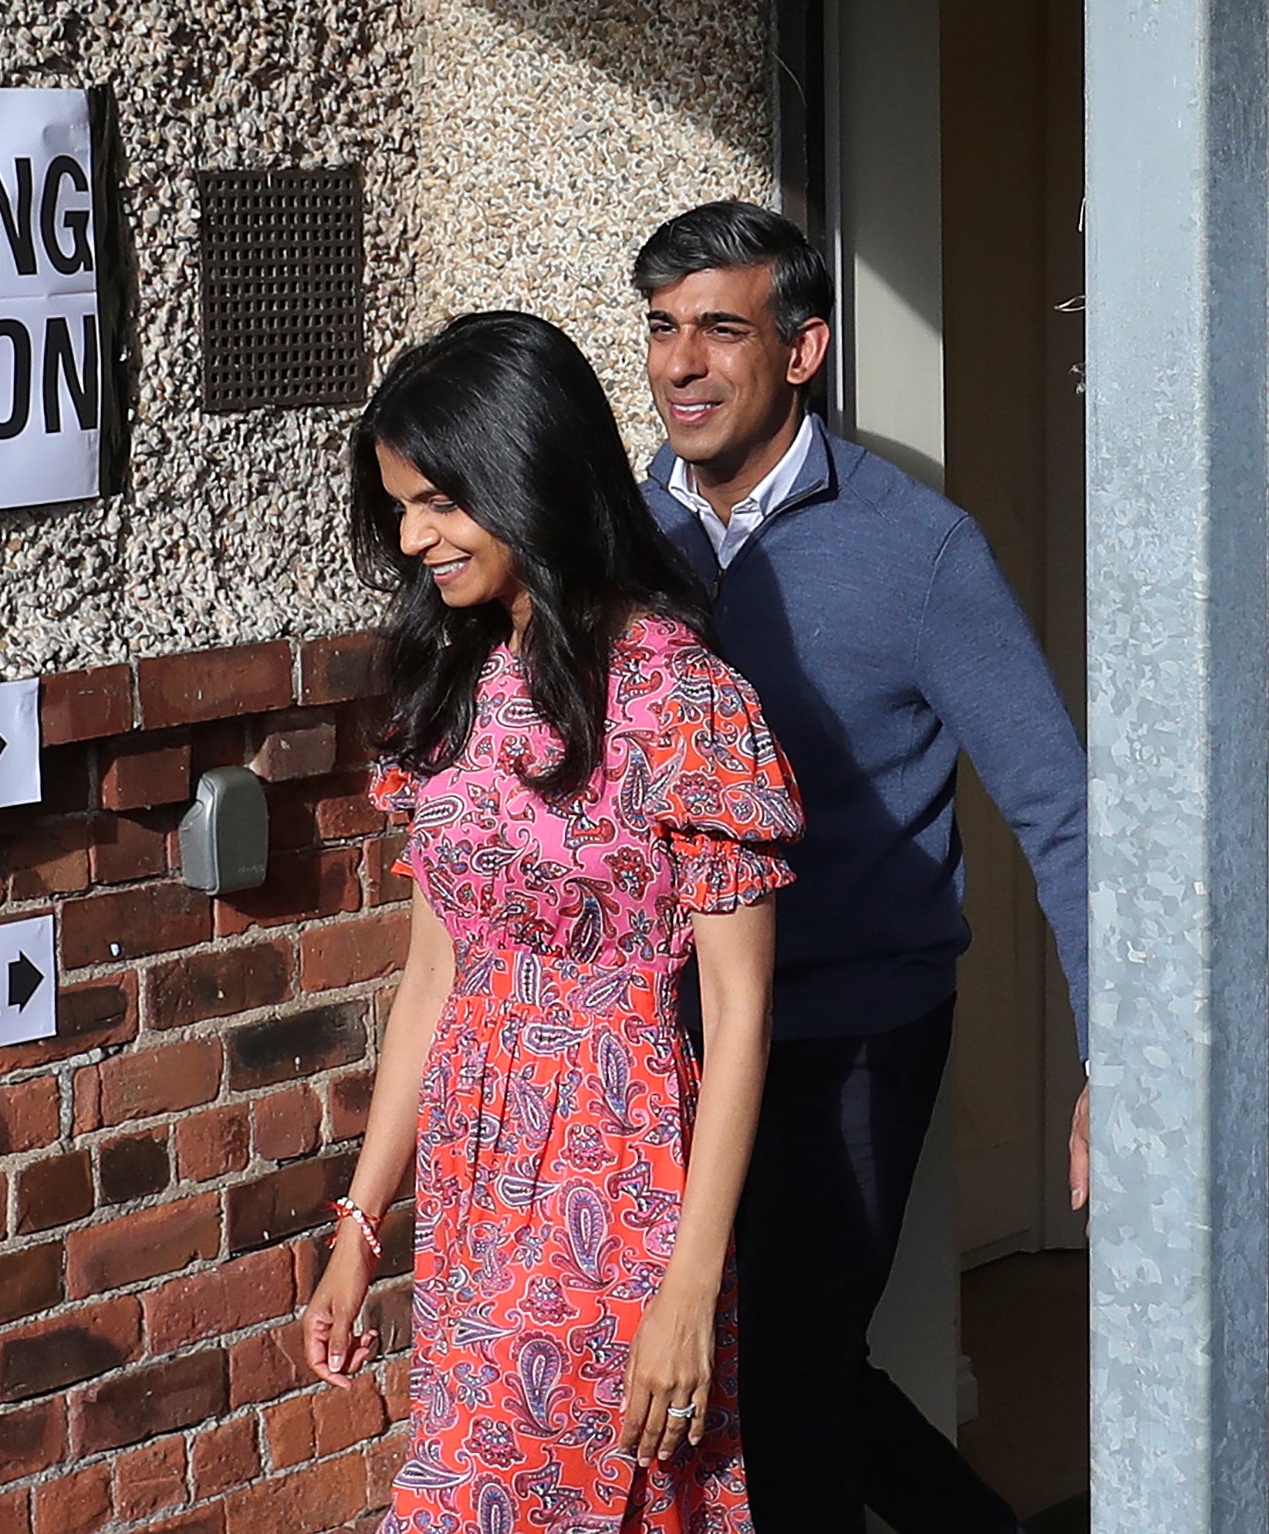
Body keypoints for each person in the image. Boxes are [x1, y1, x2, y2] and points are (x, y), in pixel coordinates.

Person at [300, 310, 804, 1533]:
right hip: (476, 1184)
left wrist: (689, 1283)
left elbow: (738, 1016)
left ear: (525, 476)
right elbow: (433, 979)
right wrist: (363, 1229)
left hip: (617, 1168)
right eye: (400, 507)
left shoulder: (684, 700)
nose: (413, 538)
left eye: (437, 503)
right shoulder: (454, 684)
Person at [632, 199, 1091, 1534]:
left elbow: (1058, 804)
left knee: (777, 1380)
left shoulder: (921, 552)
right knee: (778, 1364)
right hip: (676, 1035)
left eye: (722, 327)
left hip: (854, 1029)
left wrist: (1114, 1053)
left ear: (805, 347)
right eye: (662, 328)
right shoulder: (624, 539)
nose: (683, 363)